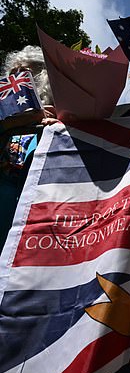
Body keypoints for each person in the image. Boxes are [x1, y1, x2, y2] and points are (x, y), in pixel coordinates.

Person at [1, 46, 58, 248]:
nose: (15, 79)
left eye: (24, 73)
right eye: (11, 75)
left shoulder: (60, 111)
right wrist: (10, 123)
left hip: (40, 215)